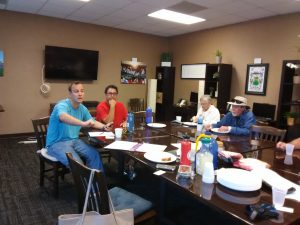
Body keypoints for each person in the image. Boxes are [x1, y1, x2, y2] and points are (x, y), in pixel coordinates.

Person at [46, 81, 112, 170]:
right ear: (70, 94)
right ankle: (86, 183)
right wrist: (82, 123)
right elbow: (63, 117)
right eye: (76, 91)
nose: (80, 94)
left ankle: (98, 183)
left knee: (94, 155)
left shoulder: (82, 108)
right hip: (56, 143)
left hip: (74, 140)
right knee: (77, 164)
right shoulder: (61, 105)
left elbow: (92, 121)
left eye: (82, 91)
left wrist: (104, 126)